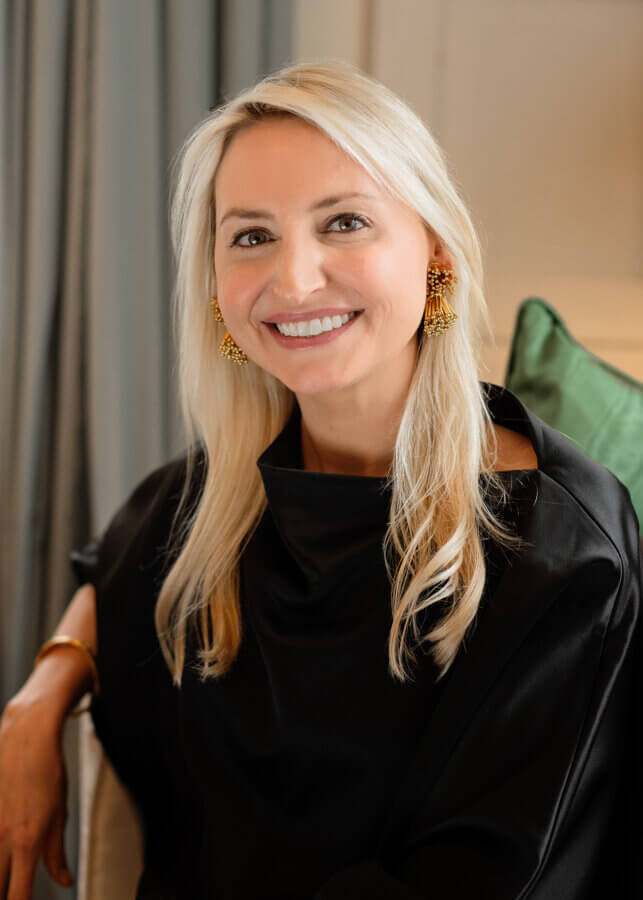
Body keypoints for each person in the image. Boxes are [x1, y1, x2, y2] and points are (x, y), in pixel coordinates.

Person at [0, 60, 641, 900]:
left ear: (435, 252)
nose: (294, 280)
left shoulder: (560, 549)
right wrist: (41, 695)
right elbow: (114, 568)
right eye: (251, 236)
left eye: (343, 222)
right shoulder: (219, 495)